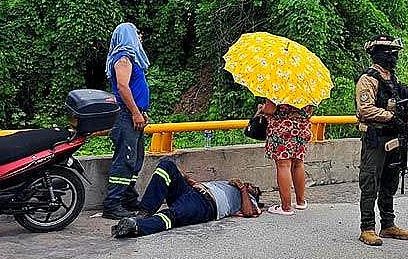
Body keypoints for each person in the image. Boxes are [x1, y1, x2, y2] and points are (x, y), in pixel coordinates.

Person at [355, 34, 408, 246]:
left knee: (390, 182)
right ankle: (367, 228)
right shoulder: (368, 79)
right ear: (378, 54)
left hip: (393, 137)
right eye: (389, 54)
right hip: (376, 138)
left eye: (395, 54)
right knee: (370, 182)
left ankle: (388, 224)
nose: (393, 57)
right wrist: (391, 117)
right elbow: (366, 109)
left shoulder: (393, 79)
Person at [111, 157, 262, 237]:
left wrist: (243, 188)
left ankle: (137, 227)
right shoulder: (229, 185)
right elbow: (199, 185)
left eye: (254, 188)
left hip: (206, 206)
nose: (250, 185)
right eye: (250, 184)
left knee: (173, 215)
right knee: (167, 165)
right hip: (192, 191)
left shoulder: (249, 199)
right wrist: (184, 177)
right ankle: (144, 213)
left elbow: (250, 213)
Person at [102, 22, 151, 220]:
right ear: (128, 36)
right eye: (137, 33)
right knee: (125, 159)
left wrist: (141, 111)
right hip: (125, 116)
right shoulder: (123, 58)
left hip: (133, 113)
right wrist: (134, 112)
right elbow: (123, 87)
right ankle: (113, 203)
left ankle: (128, 198)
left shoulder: (131, 59)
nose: (140, 36)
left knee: (135, 160)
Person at [261, 100, 312, 215]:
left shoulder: (278, 84)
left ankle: (286, 207)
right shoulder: (308, 85)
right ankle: (300, 202)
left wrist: (262, 108)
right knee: (298, 164)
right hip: (302, 128)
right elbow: (309, 110)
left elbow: (270, 109)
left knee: (283, 165)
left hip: (282, 129)